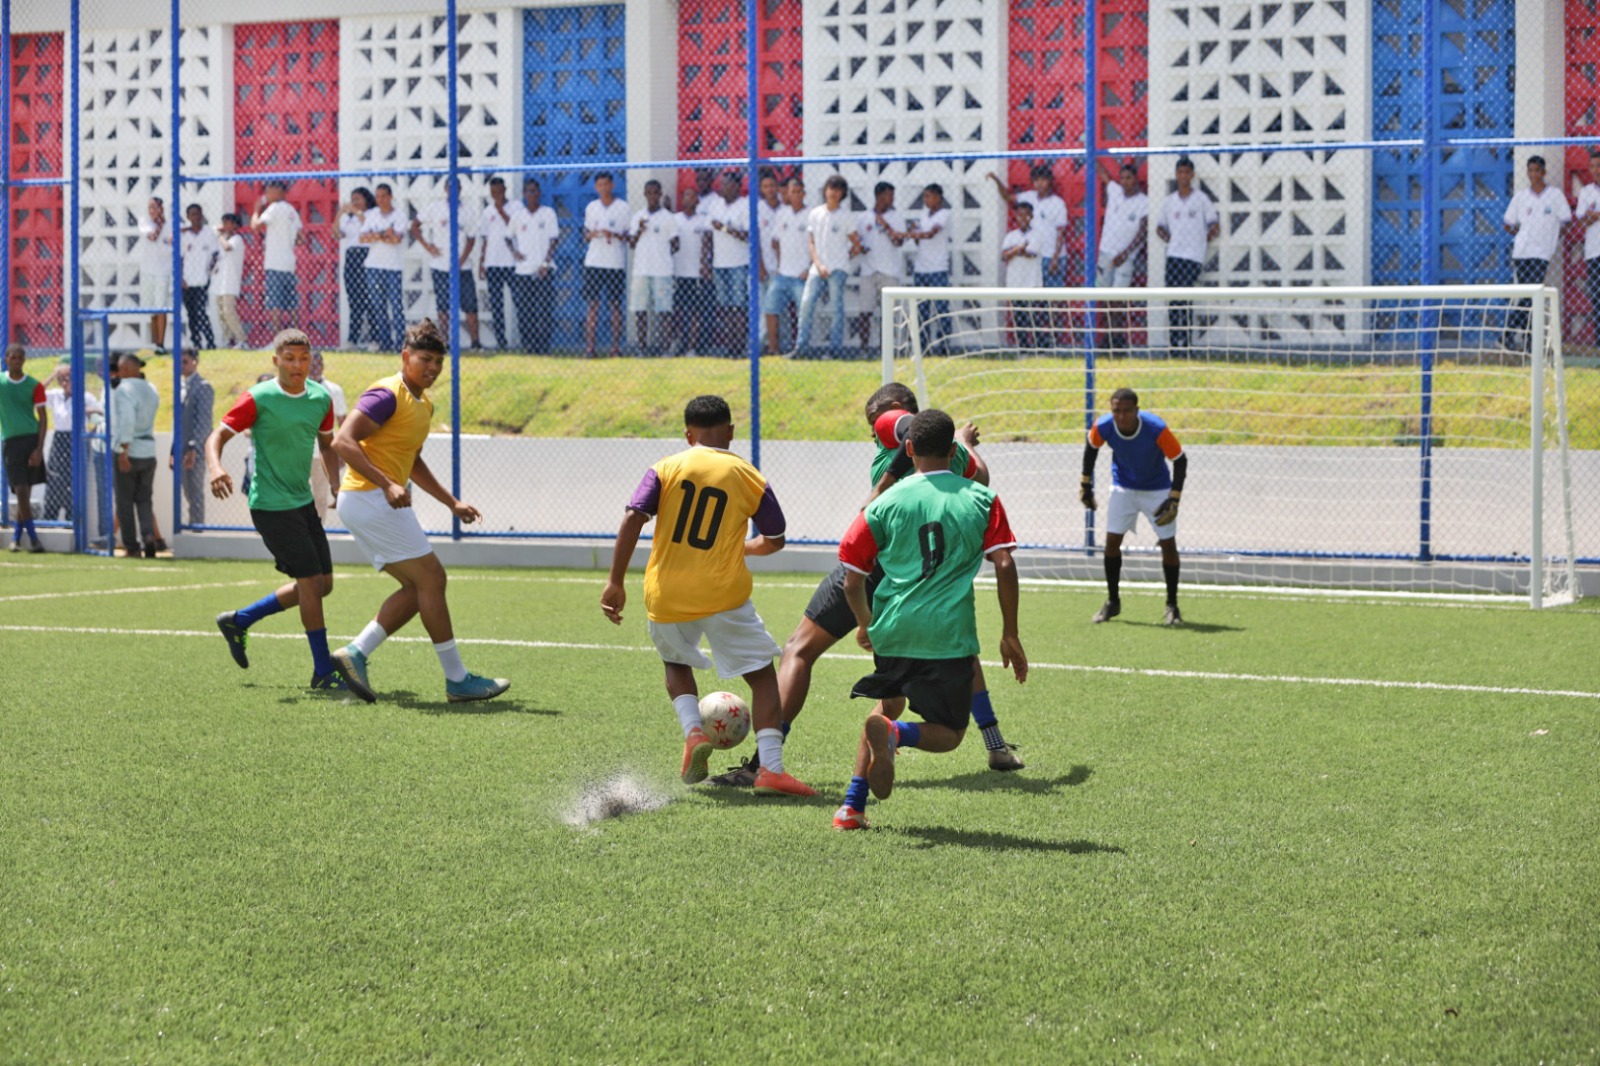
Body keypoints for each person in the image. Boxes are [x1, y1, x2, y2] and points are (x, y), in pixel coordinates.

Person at [710, 381, 1020, 787]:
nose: (875, 435)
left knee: (798, 650)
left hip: (875, 569)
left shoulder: (895, 426)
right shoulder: (951, 455)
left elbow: (901, 427)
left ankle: (763, 764)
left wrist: (881, 481)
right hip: (920, 576)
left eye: (873, 426)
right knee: (953, 647)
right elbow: (979, 475)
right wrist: (964, 441)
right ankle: (993, 741)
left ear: (893, 412)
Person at [600, 394, 814, 796]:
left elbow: (633, 516)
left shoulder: (666, 467)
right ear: (731, 432)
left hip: (666, 594)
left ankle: (694, 734)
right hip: (723, 595)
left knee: (674, 662)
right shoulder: (748, 475)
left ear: (688, 434)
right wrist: (741, 548)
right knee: (764, 677)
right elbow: (775, 539)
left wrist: (615, 581)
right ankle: (771, 770)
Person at [831, 408, 1028, 830]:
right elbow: (1005, 564)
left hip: (893, 628)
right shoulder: (982, 498)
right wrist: (1010, 632)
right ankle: (900, 736)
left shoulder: (885, 503)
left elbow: (851, 579)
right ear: (953, 450)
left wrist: (865, 623)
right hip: (947, 634)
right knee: (949, 733)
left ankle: (852, 805)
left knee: (886, 707)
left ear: (909, 448)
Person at [329, 319, 509, 705]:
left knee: (418, 587)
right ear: (405, 356)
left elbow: (412, 461)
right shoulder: (386, 394)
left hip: (374, 500)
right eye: (425, 359)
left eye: (438, 363)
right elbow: (341, 441)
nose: (432, 368)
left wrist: (451, 502)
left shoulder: (423, 403)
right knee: (432, 578)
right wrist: (386, 483)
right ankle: (458, 680)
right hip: (368, 498)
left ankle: (355, 653)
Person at [207, 329, 354, 695]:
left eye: (303, 358)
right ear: (276, 360)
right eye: (289, 358)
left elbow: (327, 444)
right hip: (271, 507)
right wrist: (216, 468)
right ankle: (322, 672)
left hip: (302, 501)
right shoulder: (258, 398)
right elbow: (218, 436)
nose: (297, 365)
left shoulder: (320, 398)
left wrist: (336, 484)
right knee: (309, 584)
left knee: (324, 585)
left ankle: (239, 621)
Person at [1081, 387, 1187, 627]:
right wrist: (1085, 484)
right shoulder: (1104, 425)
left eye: (1127, 411)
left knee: (1168, 544)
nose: (1121, 416)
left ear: (1136, 411)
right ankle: (1113, 601)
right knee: (1111, 543)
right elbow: (1091, 447)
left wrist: (1174, 498)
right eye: (1116, 410)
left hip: (1157, 489)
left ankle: (1172, 605)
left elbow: (1180, 460)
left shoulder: (1156, 428)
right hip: (1123, 488)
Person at [1501, 155, 1572, 352]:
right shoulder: (1521, 197)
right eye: (1530, 171)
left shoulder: (1555, 196)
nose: (1533, 175)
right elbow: (1507, 222)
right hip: (1522, 252)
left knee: (1533, 295)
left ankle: (1513, 335)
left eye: (1537, 171)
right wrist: (1522, 234)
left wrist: (1552, 238)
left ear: (1544, 172)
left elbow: (1566, 220)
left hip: (1542, 253)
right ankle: (1523, 339)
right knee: (1528, 295)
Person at [792, 174, 863, 359]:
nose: (832, 192)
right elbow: (811, 242)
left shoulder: (846, 216)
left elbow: (857, 244)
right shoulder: (815, 214)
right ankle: (801, 348)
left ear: (842, 194)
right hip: (817, 268)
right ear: (825, 190)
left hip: (838, 269)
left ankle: (835, 350)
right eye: (830, 188)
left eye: (837, 189)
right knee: (806, 304)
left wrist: (843, 258)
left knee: (836, 308)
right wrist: (818, 264)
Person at [1154, 157, 1219, 353]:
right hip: (1174, 255)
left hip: (1193, 256)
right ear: (1176, 175)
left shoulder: (1201, 200)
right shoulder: (1169, 201)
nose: (1183, 176)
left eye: (1186, 172)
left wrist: (1201, 240)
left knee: (1186, 298)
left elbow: (1214, 225)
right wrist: (1171, 239)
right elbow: (1159, 227)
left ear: (1192, 175)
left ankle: (1188, 344)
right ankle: (1175, 345)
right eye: (1180, 172)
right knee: (1173, 299)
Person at [414, 195, 483, 351]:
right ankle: (445, 342)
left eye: (456, 188)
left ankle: (475, 343)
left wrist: (461, 259)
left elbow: (471, 238)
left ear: (460, 190)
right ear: (446, 189)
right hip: (440, 265)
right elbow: (415, 226)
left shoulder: (468, 211)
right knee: (443, 306)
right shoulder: (435, 207)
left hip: (462, 267)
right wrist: (428, 246)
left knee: (470, 305)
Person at [42, 363, 105, 523]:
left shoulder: (85, 397)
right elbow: (37, 392)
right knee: (54, 479)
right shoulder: (56, 395)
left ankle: (73, 521)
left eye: (68, 378)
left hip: (77, 439)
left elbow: (98, 418)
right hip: (60, 438)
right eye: (61, 379)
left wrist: (89, 434)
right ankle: (50, 519)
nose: (64, 382)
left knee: (75, 481)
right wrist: (52, 374)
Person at [111, 353, 159, 558]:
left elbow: (128, 420)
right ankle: (148, 537)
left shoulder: (124, 389)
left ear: (125, 369)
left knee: (124, 501)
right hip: (148, 450)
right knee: (144, 499)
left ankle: (131, 546)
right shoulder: (151, 388)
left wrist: (124, 450)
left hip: (129, 450)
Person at [1096, 163, 1149, 351]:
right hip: (1106, 253)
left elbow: (1143, 232)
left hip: (1126, 258)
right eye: (1122, 178)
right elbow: (1103, 172)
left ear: (1135, 179)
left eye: (1129, 178)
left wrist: (1125, 253)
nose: (1125, 181)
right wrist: (1088, 148)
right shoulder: (1115, 191)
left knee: (1118, 298)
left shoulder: (1144, 202)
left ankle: (1118, 339)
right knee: (1103, 297)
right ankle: (1107, 337)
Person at [851, 180, 907, 354]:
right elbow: (856, 241)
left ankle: (886, 350)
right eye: (889, 195)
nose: (892, 199)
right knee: (865, 311)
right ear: (879, 196)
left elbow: (899, 242)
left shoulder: (896, 217)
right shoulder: (864, 218)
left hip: (889, 271)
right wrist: (860, 247)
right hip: (868, 270)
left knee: (888, 314)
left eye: (893, 195)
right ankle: (864, 348)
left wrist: (886, 226)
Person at [2, 344, 48, 552]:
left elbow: (43, 418)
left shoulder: (34, 385)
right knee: (21, 491)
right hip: (11, 443)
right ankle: (32, 538)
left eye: (20, 357)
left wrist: (38, 449)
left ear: (24, 360)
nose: (17, 361)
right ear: (6, 359)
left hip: (30, 441)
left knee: (24, 493)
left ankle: (16, 538)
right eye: (13, 357)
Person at [989, 164, 1067, 286]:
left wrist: (1055, 258)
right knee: (1036, 295)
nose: (1039, 184)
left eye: (1043, 180)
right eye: (1036, 180)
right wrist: (996, 180)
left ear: (1050, 181)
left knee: (1053, 296)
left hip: (1051, 256)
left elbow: (1061, 232)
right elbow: (1008, 197)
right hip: (1034, 254)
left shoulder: (1058, 203)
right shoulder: (1028, 197)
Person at [628, 180, 680, 355]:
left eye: (655, 193)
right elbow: (632, 244)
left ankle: (666, 348)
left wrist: (661, 251)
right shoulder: (638, 216)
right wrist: (640, 230)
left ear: (659, 194)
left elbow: (676, 244)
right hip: (641, 269)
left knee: (664, 311)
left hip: (662, 270)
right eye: (649, 193)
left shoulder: (668, 217)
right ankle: (642, 348)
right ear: (644, 194)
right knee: (640, 309)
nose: (652, 196)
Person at [582, 172, 631, 358]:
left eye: (606, 184)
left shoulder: (623, 208)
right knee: (592, 305)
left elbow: (628, 236)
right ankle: (590, 348)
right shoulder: (591, 207)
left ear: (612, 185)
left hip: (614, 263)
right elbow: (585, 236)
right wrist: (594, 234)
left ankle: (615, 348)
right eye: (599, 185)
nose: (603, 188)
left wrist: (614, 234)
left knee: (615, 306)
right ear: (596, 187)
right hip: (594, 262)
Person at [507, 178, 559, 353]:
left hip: (543, 269)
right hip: (523, 270)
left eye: (534, 191)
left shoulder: (548, 213)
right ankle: (528, 345)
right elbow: (508, 237)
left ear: (539, 193)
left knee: (544, 309)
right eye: (528, 191)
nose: (532, 194)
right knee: (525, 310)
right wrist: (515, 252)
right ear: (524, 194)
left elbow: (554, 239)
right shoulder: (518, 215)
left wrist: (545, 263)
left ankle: (543, 346)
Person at [250, 181, 304, 338]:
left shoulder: (273, 208)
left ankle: (277, 339)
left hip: (274, 262)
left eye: (268, 191)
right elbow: (301, 239)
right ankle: (296, 338)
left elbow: (256, 226)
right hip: (289, 263)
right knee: (291, 303)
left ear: (278, 191)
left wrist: (256, 209)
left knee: (275, 303)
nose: (266, 195)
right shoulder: (292, 211)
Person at [707, 172, 751, 356]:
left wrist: (725, 228)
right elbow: (708, 234)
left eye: (725, 184)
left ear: (736, 186)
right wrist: (706, 260)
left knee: (738, 306)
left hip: (738, 263)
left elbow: (747, 235)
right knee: (725, 307)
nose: (721, 188)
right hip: (719, 263)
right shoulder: (715, 204)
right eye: (721, 184)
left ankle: (738, 346)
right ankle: (729, 345)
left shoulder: (745, 205)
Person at [170, 348, 215, 527]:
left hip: (193, 450)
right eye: (179, 362)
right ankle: (190, 527)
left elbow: (203, 422)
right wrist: (173, 449)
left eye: (185, 361)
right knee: (187, 491)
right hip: (180, 447)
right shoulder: (180, 385)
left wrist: (193, 448)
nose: (181, 366)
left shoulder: (203, 386)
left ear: (195, 362)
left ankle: (197, 529)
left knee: (195, 491)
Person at [764, 177, 809, 356]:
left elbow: (817, 244)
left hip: (801, 274)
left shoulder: (811, 215)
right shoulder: (782, 213)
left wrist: (809, 268)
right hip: (782, 273)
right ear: (787, 194)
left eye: (799, 192)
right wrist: (781, 262)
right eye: (792, 192)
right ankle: (773, 349)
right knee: (770, 309)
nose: (796, 195)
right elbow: (775, 242)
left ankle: (800, 349)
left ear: (804, 193)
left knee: (802, 313)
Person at [361, 183, 408, 351]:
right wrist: (383, 234)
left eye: (383, 196)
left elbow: (397, 239)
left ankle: (401, 344)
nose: (380, 199)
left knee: (396, 305)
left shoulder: (400, 215)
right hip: (373, 266)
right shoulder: (372, 214)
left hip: (393, 267)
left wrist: (376, 235)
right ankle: (386, 343)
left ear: (390, 197)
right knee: (378, 306)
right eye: (378, 196)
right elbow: (363, 238)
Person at [908, 184, 953, 355]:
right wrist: (914, 233)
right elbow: (920, 240)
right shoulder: (923, 215)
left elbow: (931, 234)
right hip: (921, 269)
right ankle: (923, 347)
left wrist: (909, 234)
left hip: (938, 269)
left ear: (938, 197)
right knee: (922, 311)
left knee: (941, 310)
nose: (926, 200)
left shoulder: (944, 214)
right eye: (924, 197)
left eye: (929, 196)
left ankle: (944, 347)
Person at [670, 187, 714, 357]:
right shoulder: (675, 219)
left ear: (698, 201)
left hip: (697, 273)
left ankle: (692, 347)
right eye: (687, 195)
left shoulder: (704, 220)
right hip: (679, 272)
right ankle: (678, 343)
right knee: (679, 311)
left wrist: (705, 265)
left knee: (696, 311)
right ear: (682, 200)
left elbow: (708, 243)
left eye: (693, 196)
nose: (690, 199)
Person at [477, 177, 520, 350]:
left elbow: (517, 228)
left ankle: (525, 339)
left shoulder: (516, 207)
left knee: (520, 301)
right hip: (492, 263)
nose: (497, 195)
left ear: (505, 189)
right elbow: (485, 238)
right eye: (493, 192)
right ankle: (501, 342)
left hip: (512, 263)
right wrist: (482, 261)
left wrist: (501, 210)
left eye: (499, 191)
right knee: (496, 304)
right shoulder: (487, 211)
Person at [1000, 201, 1047, 351]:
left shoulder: (1037, 235)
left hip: (1032, 282)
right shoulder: (1011, 236)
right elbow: (1004, 255)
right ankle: (1023, 348)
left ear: (1031, 216)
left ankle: (1040, 347)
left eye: (1026, 215)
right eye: (1020, 215)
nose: (1023, 218)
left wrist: (1015, 251)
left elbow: (1030, 253)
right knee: (1019, 317)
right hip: (1015, 282)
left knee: (1036, 317)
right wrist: (1019, 248)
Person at [308, 351, 347, 521]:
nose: (314, 368)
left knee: (320, 497)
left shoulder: (334, 390)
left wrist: (341, 452)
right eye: (311, 364)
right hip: (297, 453)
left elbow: (343, 424)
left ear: (323, 366)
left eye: (318, 364)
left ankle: (318, 532)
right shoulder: (295, 388)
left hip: (322, 455)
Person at [338, 188, 377, 349]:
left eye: (358, 199)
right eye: (352, 199)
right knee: (354, 300)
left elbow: (367, 224)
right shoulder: (349, 218)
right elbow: (337, 234)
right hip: (351, 256)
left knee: (370, 299)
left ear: (366, 200)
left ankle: (374, 339)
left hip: (366, 255)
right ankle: (352, 339)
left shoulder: (372, 213)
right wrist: (340, 213)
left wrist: (355, 210)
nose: (354, 203)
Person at [179, 205, 220, 351]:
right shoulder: (184, 235)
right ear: (188, 217)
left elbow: (216, 254)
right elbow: (180, 258)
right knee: (191, 314)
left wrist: (210, 270)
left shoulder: (209, 233)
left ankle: (210, 342)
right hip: (187, 282)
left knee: (202, 312)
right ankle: (196, 343)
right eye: (192, 214)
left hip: (202, 280)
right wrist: (181, 278)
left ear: (201, 215)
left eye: (197, 214)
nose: (195, 217)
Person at [138, 198, 173, 353]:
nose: (151, 210)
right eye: (149, 207)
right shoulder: (144, 222)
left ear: (161, 208)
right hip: (147, 271)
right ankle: (155, 342)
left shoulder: (171, 224)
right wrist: (160, 223)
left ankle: (161, 344)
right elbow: (153, 237)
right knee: (151, 309)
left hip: (163, 272)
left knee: (162, 307)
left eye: (154, 207)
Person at [212, 214, 248, 348]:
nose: (225, 226)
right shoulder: (224, 240)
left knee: (229, 312)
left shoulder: (237, 239)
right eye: (224, 223)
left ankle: (241, 339)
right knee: (221, 314)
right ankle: (227, 340)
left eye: (229, 223)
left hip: (230, 283)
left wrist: (218, 235)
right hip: (220, 283)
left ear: (235, 225)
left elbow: (227, 247)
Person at [1577, 151, 1600, 345]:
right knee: (1597, 298)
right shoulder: (1586, 192)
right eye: (1593, 166)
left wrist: (1594, 215)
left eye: (1599, 166)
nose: (1596, 170)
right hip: (1594, 252)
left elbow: (1591, 216)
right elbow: (1583, 219)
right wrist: (1592, 216)